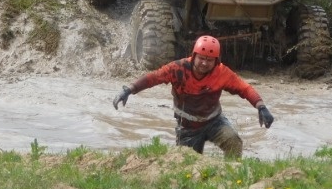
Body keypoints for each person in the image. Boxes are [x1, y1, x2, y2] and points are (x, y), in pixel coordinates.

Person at [112, 35, 274, 160]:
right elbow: (153, 78)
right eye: (201, 58)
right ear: (194, 55)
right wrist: (129, 90)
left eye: (209, 60)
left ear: (216, 61)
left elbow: (244, 88)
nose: (204, 63)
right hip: (188, 128)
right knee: (186, 163)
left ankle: (230, 177)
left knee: (234, 142)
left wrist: (261, 107)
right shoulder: (178, 69)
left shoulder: (222, 73)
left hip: (215, 122)